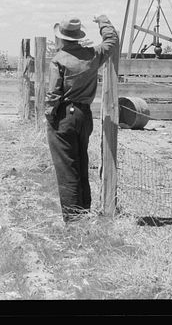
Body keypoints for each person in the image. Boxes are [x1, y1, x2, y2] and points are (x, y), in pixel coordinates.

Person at [44, 15, 119, 223]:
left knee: (66, 166)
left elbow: (53, 94)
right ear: (78, 36)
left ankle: (73, 218)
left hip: (64, 116)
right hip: (85, 115)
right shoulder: (92, 54)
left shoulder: (59, 59)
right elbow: (111, 41)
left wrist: (49, 116)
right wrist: (103, 21)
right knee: (81, 161)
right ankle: (83, 210)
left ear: (61, 38)